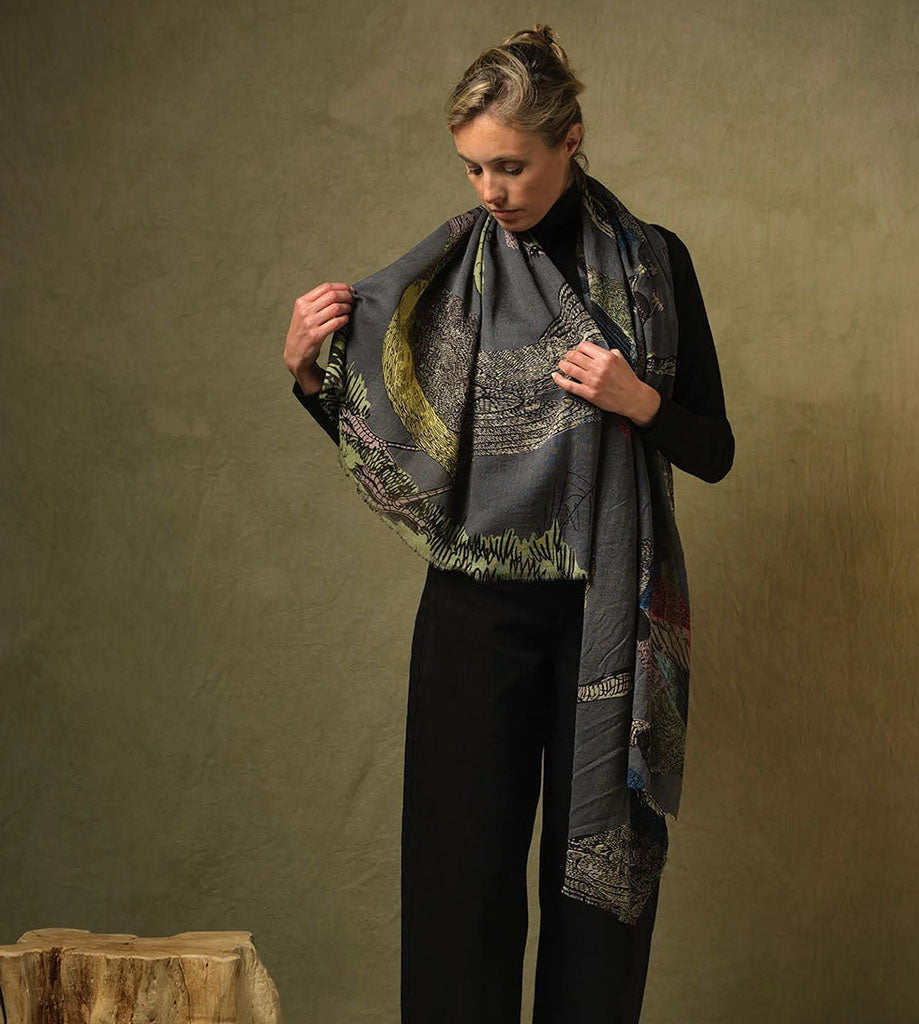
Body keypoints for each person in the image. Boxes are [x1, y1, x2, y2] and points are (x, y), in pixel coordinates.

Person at [282, 24, 734, 1024]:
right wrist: (311, 373)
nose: (490, 189)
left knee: (595, 901)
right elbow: (401, 438)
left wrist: (637, 399)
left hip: (607, 614)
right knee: (458, 883)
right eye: (473, 166)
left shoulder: (656, 268)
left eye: (512, 164)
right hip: (474, 613)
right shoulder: (452, 277)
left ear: (570, 140)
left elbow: (714, 448)